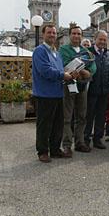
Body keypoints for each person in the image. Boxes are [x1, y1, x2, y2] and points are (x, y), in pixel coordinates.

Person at [32, 25, 72, 162]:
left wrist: (70, 74)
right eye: (49, 32)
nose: (52, 35)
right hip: (44, 94)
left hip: (58, 93)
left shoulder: (57, 53)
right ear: (43, 35)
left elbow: (61, 71)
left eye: (54, 33)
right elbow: (45, 70)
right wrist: (63, 75)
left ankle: (55, 150)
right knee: (44, 125)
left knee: (57, 125)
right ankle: (42, 151)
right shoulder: (40, 51)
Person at [60, 25, 96, 156]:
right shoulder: (63, 49)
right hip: (68, 85)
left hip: (81, 86)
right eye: (74, 33)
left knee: (81, 116)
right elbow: (64, 64)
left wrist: (87, 72)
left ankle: (80, 142)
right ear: (70, 35)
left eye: (78, 34)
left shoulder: (86, 51)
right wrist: (82, 71)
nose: (76, 36)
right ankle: (67, 145)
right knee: (67, 117)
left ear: (81, 36)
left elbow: (93, 67)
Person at [84, 30, 109, 150]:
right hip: (91, 91)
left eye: (104, 40)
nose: (102, 42)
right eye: (100, 39)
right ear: (95, 39)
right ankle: (85, 139)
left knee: (101, 117)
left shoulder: (108, 54)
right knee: (89, 116)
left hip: (104, 91)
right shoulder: (88, 53)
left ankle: (98, 139)